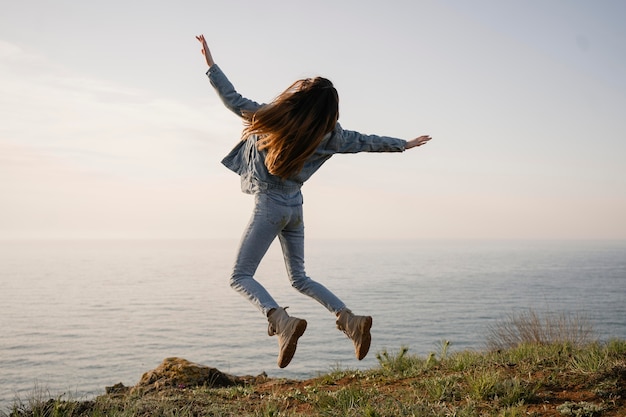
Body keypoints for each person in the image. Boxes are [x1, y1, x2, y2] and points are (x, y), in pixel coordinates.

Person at [196, 34, 432, 368]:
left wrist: (211, 66)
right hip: (295, 208)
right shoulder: (332, 136)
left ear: (300, 97)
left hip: (271, 206)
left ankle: (280, 321)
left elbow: (233, 100)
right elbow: (366, 141)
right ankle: (350, 320)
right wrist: (403, 145)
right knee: (299, 278)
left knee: (240, 276)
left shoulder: (274, 118)